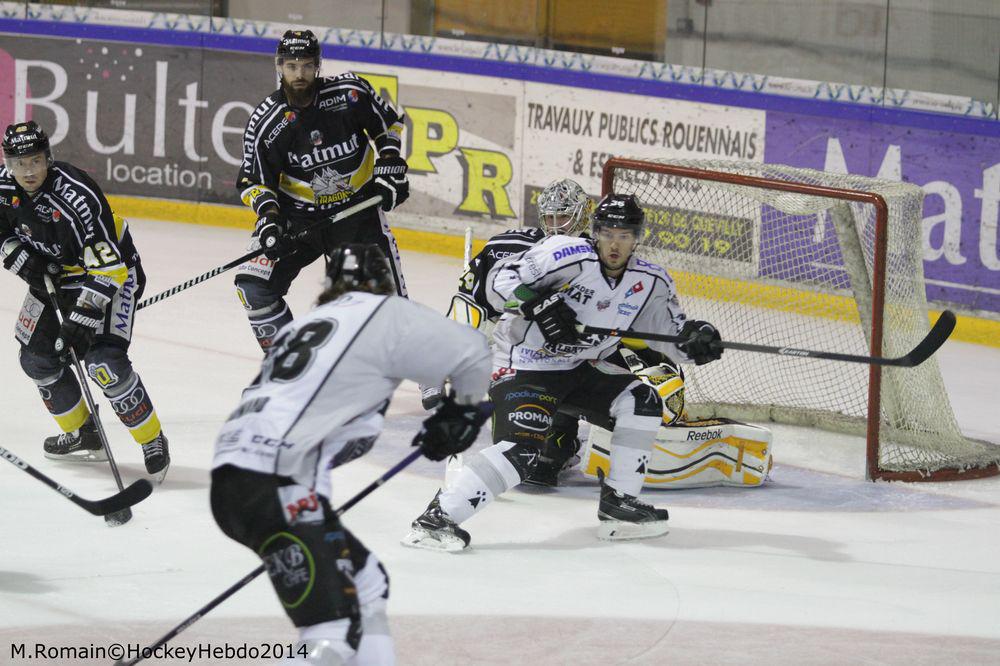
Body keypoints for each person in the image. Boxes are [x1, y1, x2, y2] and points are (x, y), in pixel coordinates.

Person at [211, 244, 492, 665]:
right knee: (332, 630)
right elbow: (473, 349)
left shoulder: (300, 329)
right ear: (382, 283)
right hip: (277, 487)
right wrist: (461, 413)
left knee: (368, 582)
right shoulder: (381, 312)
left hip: (234, 481)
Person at [402, 193, 723, 551]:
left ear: (637, 238)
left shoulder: (650, 281)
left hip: (583, 368)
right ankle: (436, 520)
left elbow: (669, 335)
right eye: (608, 234)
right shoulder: (564, 254)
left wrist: (696, 342)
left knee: (642, 400)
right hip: (525, 364)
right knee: (523, 453)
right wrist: (536, 303)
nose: (614, 244)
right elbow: (497, 281)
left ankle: (620, 504)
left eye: (624, 236)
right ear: (596, 232)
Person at [0, 121, 169, 480]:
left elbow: (110, 269)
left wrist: (80, 319)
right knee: (36, 359)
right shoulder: (3, 187)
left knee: (103, 363)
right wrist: (22, 259)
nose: (28, 171)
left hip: (111, 274)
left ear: (48, 158)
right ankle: (83, 432)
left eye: (35, 161)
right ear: (8, 164)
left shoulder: (76, 197)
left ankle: (151, 438)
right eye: (19, 163)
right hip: (56, 277)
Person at [235, 29, 410, 351]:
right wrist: (269, 219)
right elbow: (255, 181)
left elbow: (389, 126)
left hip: (355, 215)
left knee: (384, 310)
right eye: (291, 66)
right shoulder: (266, 122)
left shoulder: (350, 93)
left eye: (306, 65)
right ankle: (291, 366)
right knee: (254, 286)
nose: (299, 74)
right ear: (279, 66)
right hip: (298, 219)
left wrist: (389, 165)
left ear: (318, 65)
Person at [420, 178, 594, 485]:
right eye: (550, 217)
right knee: (517, 452)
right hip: (509, 349)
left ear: (581, 217)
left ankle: (564, 436)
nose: (556, 226)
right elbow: (469, 306)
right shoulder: (505, 247)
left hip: (560, 355)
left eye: (564, 217)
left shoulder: (596, 259)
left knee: (546, 460)